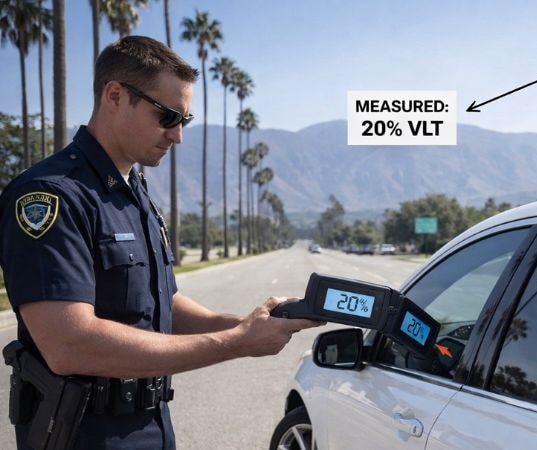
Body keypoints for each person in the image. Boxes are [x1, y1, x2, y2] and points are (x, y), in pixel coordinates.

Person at [0, 35, 323, 449]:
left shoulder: (134, 194)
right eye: (167, 117)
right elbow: (69, 344)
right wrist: (236, 343)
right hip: (83, 436)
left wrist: (249, 324)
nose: (177, 136)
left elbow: (161, 302)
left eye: (183, 121)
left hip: (152, 427)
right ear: (115, 95)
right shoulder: (52, 196)